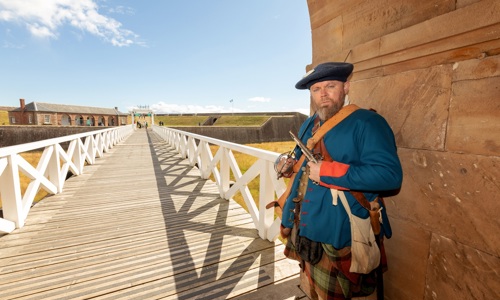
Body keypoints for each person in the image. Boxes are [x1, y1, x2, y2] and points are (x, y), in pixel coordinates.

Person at [279, 62, 403, 299]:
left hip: (337, 233)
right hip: (302, 225)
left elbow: (389, 175)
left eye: (330, 86)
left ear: (346, 87)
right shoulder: (310, 123)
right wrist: (283, 162)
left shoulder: (368, 122)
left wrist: (327, 172)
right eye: (316, 89)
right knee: (312, 289)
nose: (323, 94)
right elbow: (297, 156)